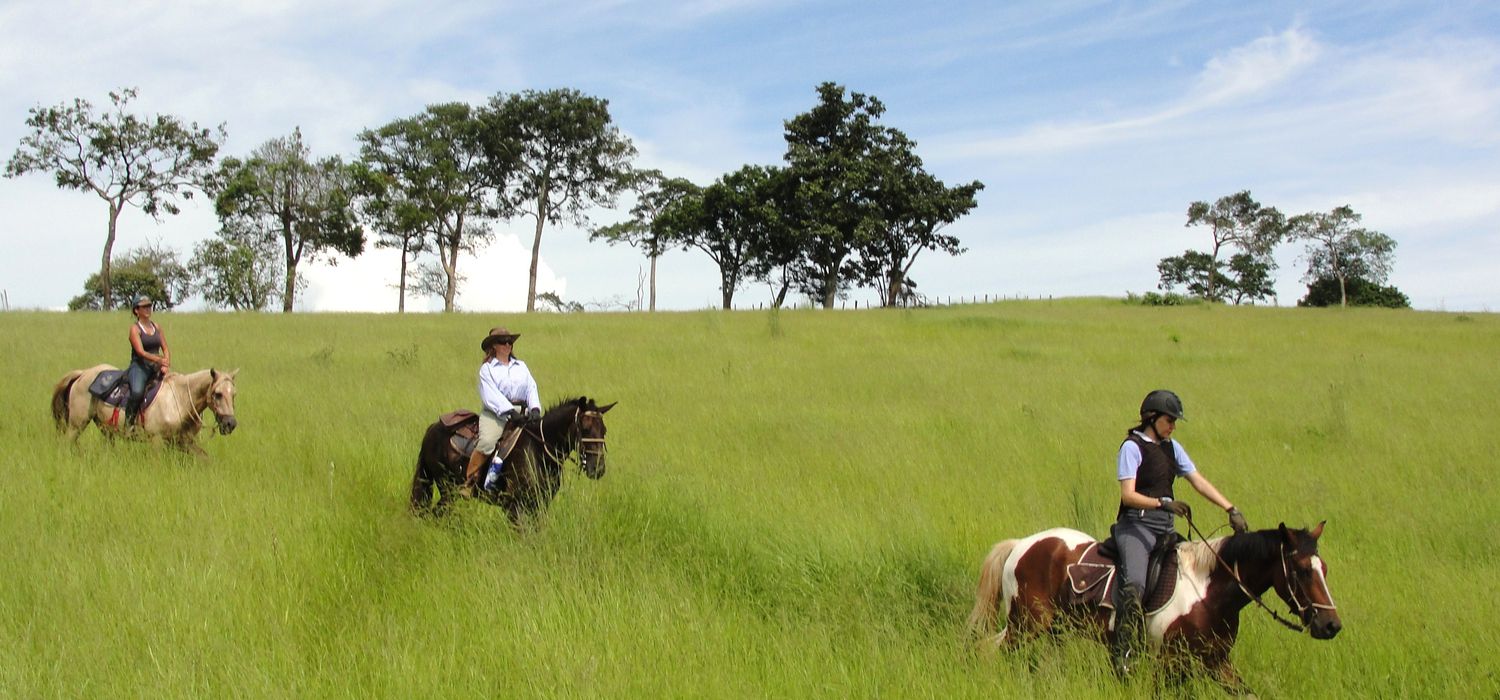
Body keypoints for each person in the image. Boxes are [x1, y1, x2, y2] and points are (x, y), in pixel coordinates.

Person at [1109, 389, 1248, 677]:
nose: (1172, 426)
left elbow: (1198, 481)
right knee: (1134, 586)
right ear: (1152, 418)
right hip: (1136, 528)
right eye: (1169, 420)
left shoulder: (1172, 448)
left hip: (1165, 531)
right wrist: (1163, 503)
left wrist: (1230, 508)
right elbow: (1128, 495)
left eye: (1174, 421)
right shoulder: (1132, 447)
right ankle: (1123, 654)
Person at [462, 326, 542, 496]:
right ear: (494, 346)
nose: (507, 345)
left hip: (523, 413)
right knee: (488, 442)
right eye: (503, 342)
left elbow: (531, 387)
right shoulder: (487, 369)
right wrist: (510, 413)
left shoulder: (521, 366)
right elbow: (491, 396)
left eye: (510, 342)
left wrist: (534, 408)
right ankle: (470, 481)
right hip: (496, 415)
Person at [124, 295, 171, 430]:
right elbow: (141, 352)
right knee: (137, 392)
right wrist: (160, 360)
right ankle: (129, 423)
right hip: (139, 367)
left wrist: (166, 363)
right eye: (144, 307)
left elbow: (165, 347)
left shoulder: (157, 326)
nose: (148, 309)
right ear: (136, 311)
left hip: (157, 367)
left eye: (149, 306)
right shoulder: (135, 329)